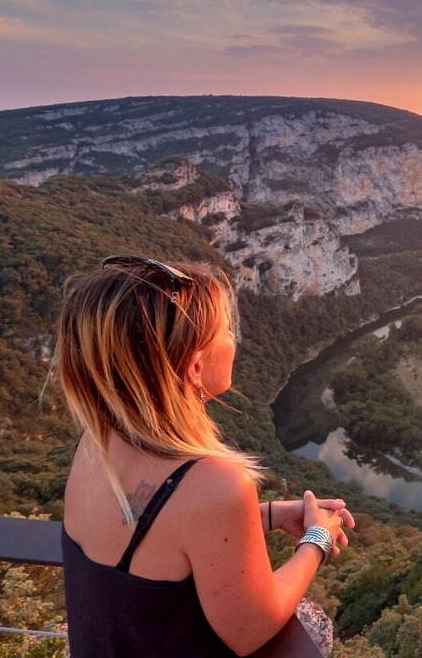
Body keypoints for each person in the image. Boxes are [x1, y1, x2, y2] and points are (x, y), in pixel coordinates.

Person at [56, 254, 354, 657]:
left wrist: (265, 515)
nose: (234, 339)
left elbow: (151, 530)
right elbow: (253, 628)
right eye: (227, 330)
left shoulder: (96, 444)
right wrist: (317, 538)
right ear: (196, 367)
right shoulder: (215, 485)